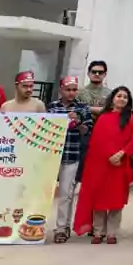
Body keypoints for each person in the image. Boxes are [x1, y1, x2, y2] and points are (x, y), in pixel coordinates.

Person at [73, 86, 133, 244]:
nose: (121, 99)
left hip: (121, 164)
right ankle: (98, 231)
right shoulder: (104, 117)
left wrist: (121, 153)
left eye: (125, 97)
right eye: (119, 96)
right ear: (112, 98)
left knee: (116, 199)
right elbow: (97, 141)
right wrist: (109, 156)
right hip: (101, 164)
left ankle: (112, 233)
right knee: (99, 197)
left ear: (128, 101)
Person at [48, 75, 93, 243]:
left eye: (74, 90)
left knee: (66, 194)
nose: (71, 93)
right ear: (61, 90)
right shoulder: (52, 107)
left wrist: (78, 122)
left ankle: (61, 228)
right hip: (52, 156)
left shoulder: (82, 108)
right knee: (46, 193)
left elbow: (87, 131)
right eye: (68, 89)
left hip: (72, 155)